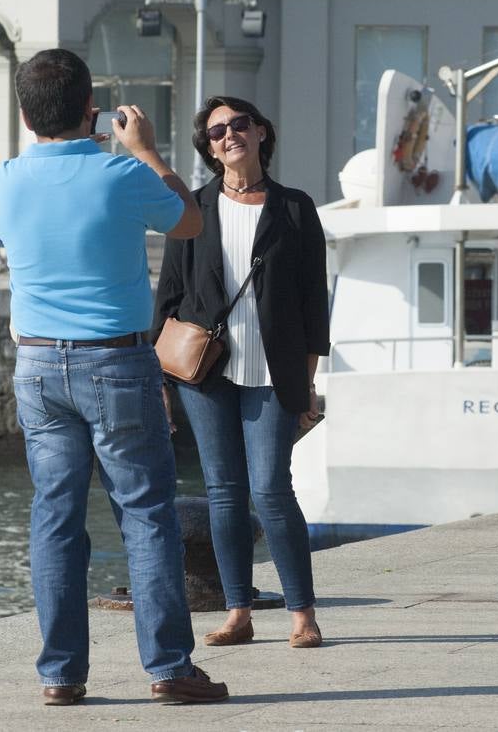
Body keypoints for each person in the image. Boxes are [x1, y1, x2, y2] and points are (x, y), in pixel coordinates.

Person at [0, 49, 228, 706]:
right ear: (92, 109)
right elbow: (190, 220)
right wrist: (146, 150)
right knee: (146, 514)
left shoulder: (4, 180)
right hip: (115, 361)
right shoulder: (121, 172)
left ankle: (61, 676)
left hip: (37, 363)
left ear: (24, 114)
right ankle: (169, 668)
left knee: (55, 517)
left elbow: (9, 232)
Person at [153, 95, 329, 651]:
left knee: (273, 490)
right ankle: (238, 611)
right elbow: (169, 298)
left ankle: (302, 613)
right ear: (209, 149)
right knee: (224, 494)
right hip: (205, 374)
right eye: (216, 131)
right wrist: (161, 382)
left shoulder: (296, 208)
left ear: (261, 132)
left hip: (274, 373)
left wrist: (305, 382)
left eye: (240, 124)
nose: (230, 135)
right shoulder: (195, 209)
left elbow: (312, 305)